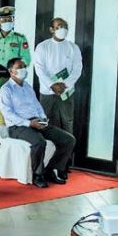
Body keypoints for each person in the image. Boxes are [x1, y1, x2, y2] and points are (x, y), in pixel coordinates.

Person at [0, 57, 75, 188]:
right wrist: (29, 123)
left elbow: (37, 105)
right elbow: (8, 114)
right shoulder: (6, 90)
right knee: (39, 142)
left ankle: (50, 170)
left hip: (36, 122)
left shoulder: (27, 86)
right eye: (19, 67)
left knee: (68, 140)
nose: (23, 69)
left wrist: (43, 118)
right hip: (17, 126)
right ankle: (37, 175)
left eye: (24, 66)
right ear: (11, 71)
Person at [33, 17, 82, 175]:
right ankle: (44, 165)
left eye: (65, 26)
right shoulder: (43, 47)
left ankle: (62, 166)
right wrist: (52, 85)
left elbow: (77, 69)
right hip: (47, 92)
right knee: (46, 125)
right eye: (59, 26)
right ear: (51, 29)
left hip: (66, 93)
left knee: (67, 125)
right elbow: (39, 69)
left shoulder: (73, 47)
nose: (63, 29)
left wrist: (65, 85)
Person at [0, 6, 31, 90]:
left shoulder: (20, 38)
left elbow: (26, 58)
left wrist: (18, 70)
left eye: (10, 20)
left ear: (13, 21)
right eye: (4, 20)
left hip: (14, 78)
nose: (7, 22)